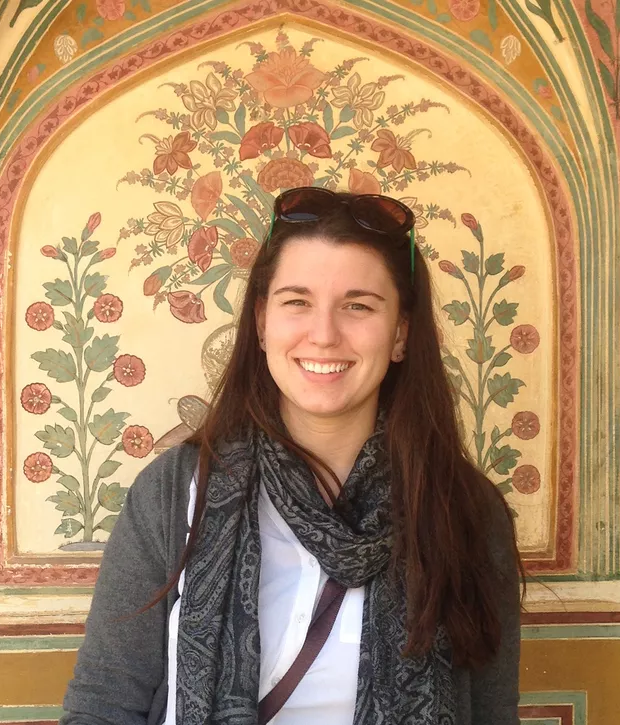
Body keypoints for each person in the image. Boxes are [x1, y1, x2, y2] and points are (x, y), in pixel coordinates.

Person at [61, 187, 522, 725]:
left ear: (400, 333)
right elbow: (103, 707)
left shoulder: (462, 510)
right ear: (262, 323)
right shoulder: (175, 492)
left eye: (358, 306)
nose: (323, 335)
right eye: (297, 302)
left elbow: (492, 714)